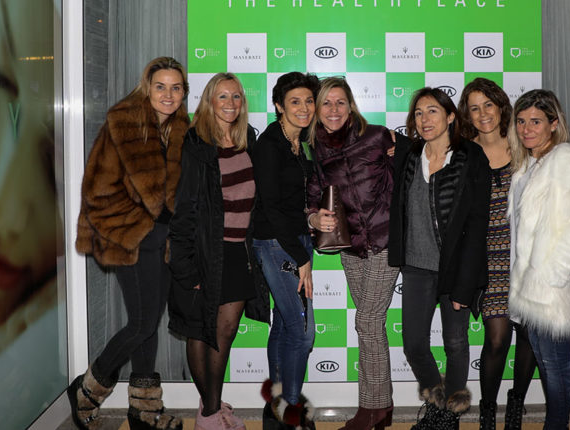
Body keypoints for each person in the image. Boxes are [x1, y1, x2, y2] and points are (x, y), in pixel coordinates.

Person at [71, 56, 189, 430]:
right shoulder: (123, 123)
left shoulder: (181, 129)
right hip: (133, 241)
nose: (168, 95)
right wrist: (142, 228)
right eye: (160, 86)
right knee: (141, 323)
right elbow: (97, 192)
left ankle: (143, 409)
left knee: (149, 324)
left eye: (176, 87)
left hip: (166, 242)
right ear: (146, 88)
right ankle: (88, 389)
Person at [168, 73, 269, 430]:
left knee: (224, 332)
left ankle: (209, 407)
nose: (230, 103)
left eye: (236, 96)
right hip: (204, 253)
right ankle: (211, 414)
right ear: (209, 101)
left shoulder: (247, 139)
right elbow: (184, 208)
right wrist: (185, 265)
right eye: (222, 96)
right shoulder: (196, 144)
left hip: (239, 253)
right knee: (199, 330)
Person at [389, 87, 491, 429]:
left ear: (450, 116)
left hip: (456, 268)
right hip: (416, 267)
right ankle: (437, 405)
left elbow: (477, 224)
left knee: (456, 343)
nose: (424, 119)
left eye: (432, 111)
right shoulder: (408, 156)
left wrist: (466, 282)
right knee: (414, 344)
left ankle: (448, 418)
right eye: (418, 113)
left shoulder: (471, 156)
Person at [507, 89, 570, 430]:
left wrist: (551, 278)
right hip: (530, 288)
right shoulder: (529, 164)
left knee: (555, 367)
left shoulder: (565, 160)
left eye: (536, 121)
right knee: (547, 364)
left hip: (550, 289)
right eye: (521, 121)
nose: (526, 129)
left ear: (553, 124)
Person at [306, 77, 400, 430]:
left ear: (351, 106)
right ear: (317, 109)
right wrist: (314, 217)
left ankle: (371, 410)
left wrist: (402, 148)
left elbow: (415, 168)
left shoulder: (377, 136)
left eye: (340, 102)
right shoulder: (315, 148)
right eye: (326, 103)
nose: (333, 110)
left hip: (384, 242)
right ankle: (381, 406)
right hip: (350, 248)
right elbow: (312, 195)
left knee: (368, 322)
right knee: (370, 327)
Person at [456, 78, 537, 430]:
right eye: (474, 108)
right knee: (497, 338)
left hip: (527, 256)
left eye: (488, 105)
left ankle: (516, 405)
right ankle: (488, 411)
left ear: (501, 106)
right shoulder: (463, 153)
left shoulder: (523, 145)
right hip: (487, 261)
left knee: (529, 336)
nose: (483, 113)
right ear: (467, 115)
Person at [252, 71, 320, 429]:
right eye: (295, 101)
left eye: (309, 101)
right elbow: (272, 207)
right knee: (302, 331)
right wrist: (301, 256)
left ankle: (277, 404)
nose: (304, 107)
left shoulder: (301, 141)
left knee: (283, 323)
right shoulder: (269, 145)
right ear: (279, 105)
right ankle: (291, 411)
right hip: (277, 244)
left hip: (296, 239)